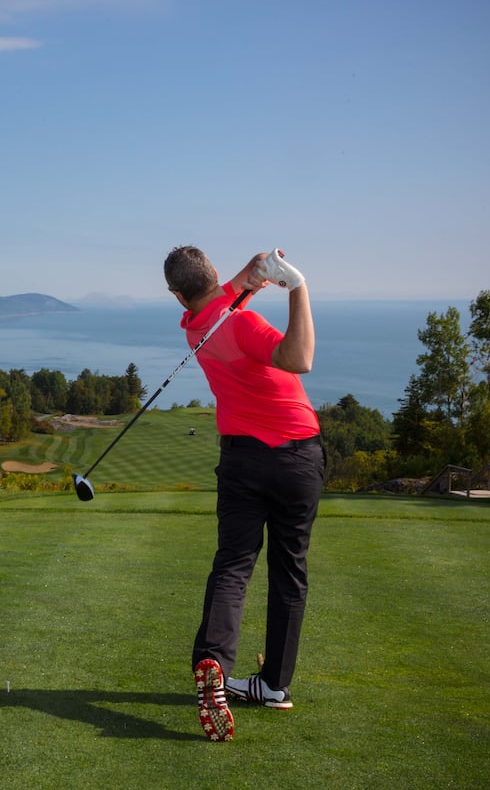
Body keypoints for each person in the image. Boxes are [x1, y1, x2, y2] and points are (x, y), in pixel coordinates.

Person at [162, 245, 325, 742]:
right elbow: (300, 359)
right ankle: (274, 685)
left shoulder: (196, 326)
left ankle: (213, 660)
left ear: (176, 295)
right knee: (288, 569)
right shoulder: (243, 325)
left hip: (240, 459)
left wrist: (253, 276)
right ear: (214, 271)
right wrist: (296, 286)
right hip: (297, 457)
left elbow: (222, 296)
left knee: (234, 564)